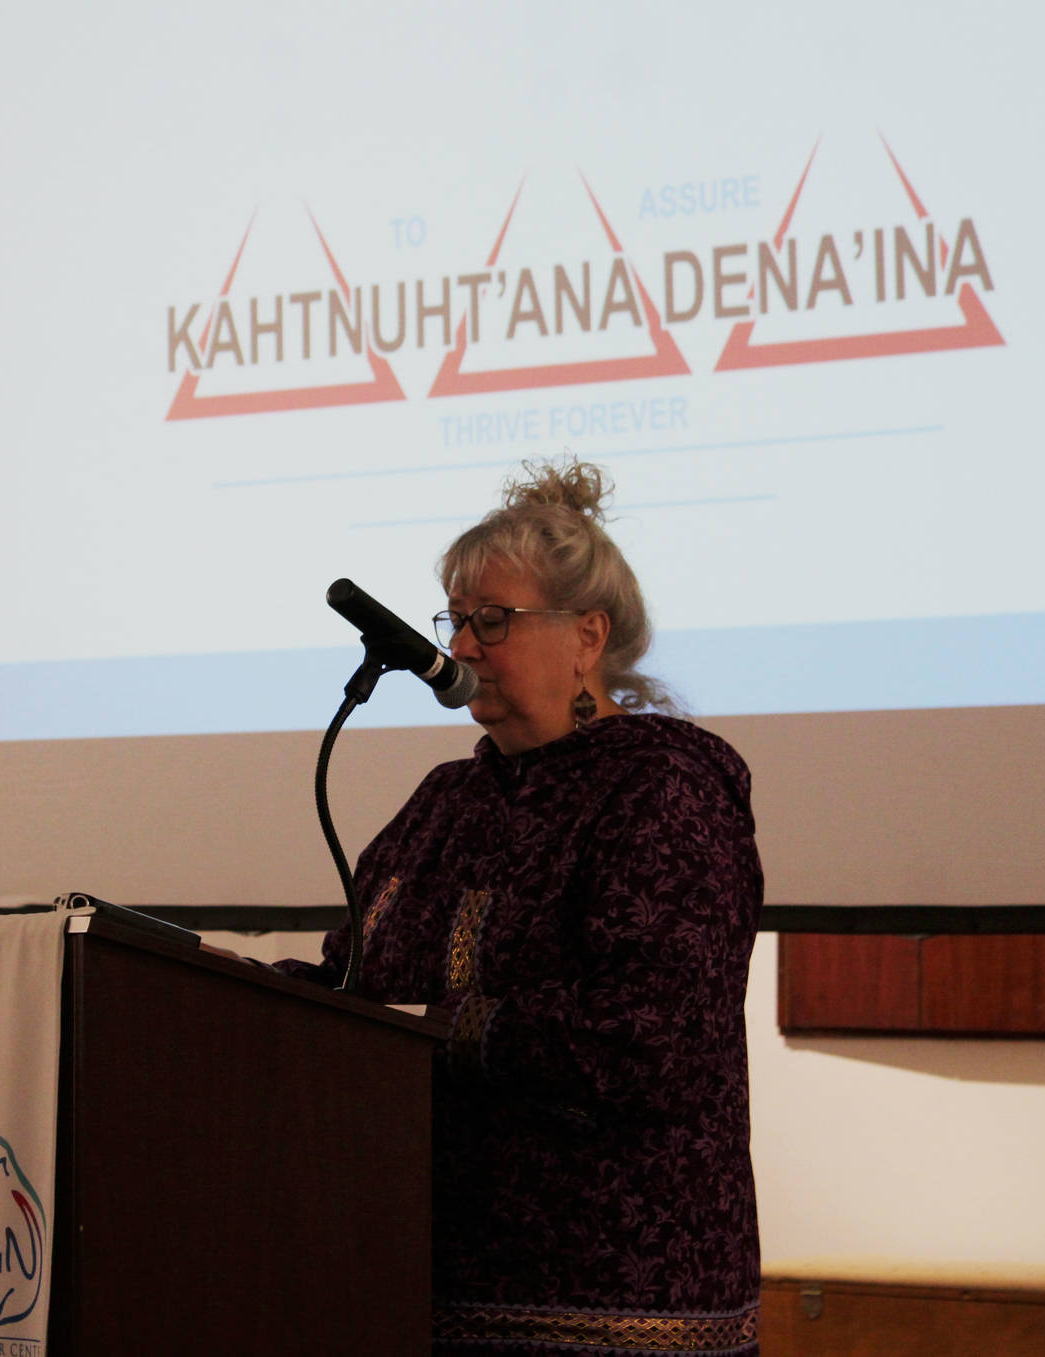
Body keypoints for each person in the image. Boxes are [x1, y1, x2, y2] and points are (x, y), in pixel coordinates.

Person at [276, 458, 764, 1356]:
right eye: (455, 621)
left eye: (490, 621)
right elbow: (358, 981)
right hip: (417, 1284)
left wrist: (443, 1026)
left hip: (612, 1303)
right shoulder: (442, 799)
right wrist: (259, 996)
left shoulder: (664, 787)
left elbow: (658, 1037)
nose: (459, 648)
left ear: (587, 636)